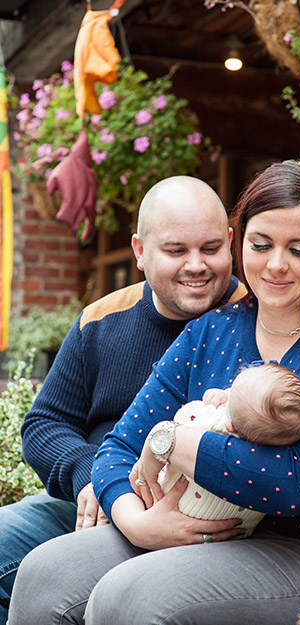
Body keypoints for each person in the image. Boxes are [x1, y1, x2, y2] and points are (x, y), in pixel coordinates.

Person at [7, 160, 300, 625]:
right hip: (206, 529)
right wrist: (137, 521)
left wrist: (178, 442)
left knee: (132, 597)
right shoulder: (211, 330)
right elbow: (119, 446)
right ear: (244, 245)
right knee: (45, 573)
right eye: (262, 245)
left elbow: (299, 481)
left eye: (299, 250)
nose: (276, 264)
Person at [0, 175, 246, 625]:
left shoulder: (254, 321)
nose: (197, 265)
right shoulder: (101, 319)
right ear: (139, 251)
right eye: (176, 251)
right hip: (92, 507)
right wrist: (94, 479)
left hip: (201, 525)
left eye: (211, 248)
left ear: (231, 243)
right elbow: (44, 424)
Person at [155, 361, 300, 537]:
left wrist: (211, 404)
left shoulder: (214, 423)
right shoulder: (271, 455)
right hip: (232, 535)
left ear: (230, 425)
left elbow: (180, 421)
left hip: (169, 508)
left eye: (231, 391)